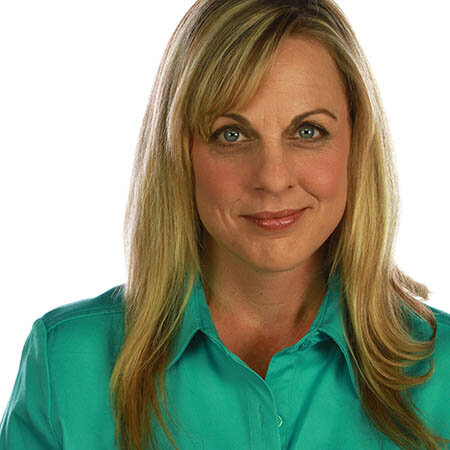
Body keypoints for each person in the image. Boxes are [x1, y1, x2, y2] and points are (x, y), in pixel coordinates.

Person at [1, 0, 449, 449]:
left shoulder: (443, 374)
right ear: (179, 154)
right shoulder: (66, 365)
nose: (273, 178)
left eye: (308, 131)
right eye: (231, 134)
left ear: (357, 143)